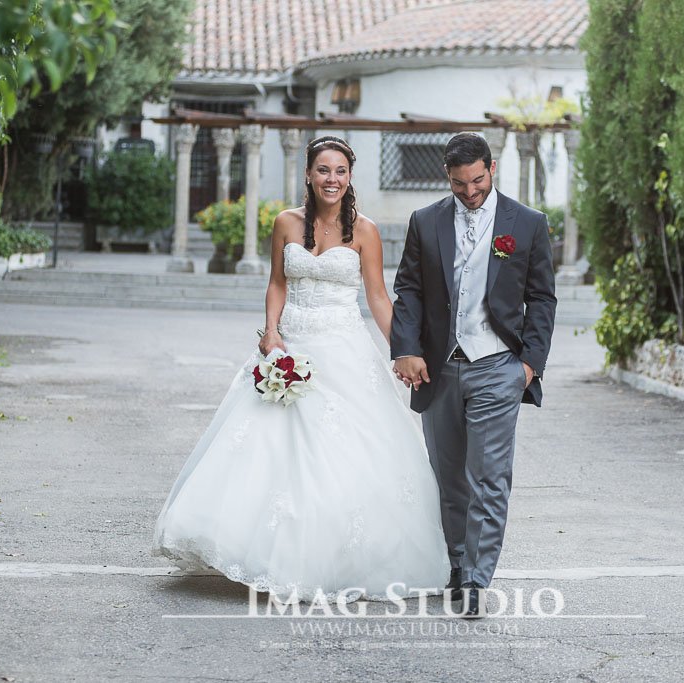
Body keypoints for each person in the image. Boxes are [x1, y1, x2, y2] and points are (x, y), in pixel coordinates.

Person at [154, 136, 449, 603]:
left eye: (340, 171)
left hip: (343, 348)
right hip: (290, 346)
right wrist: (271, 332)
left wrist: (403, 350)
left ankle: (335, 558)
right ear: (308, 174)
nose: (332, 179)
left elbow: (377, 296)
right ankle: (260, 552)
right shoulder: (286, 223)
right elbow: (277, 282)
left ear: (350, 177)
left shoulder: (365, 231)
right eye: (323, 170)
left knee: (343, 453)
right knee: (267, 447)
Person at [391, 132, 557, 618]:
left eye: (478, 181)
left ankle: (476, 580)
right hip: (439, 368)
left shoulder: (527, 223)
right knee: (448, 476)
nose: (470, 192)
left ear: (492, 168)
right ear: (448, 176)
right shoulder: (426, 221)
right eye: (460, 183)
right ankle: (457, 563)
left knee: (488, 477)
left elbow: (542, 297)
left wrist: (528, 364)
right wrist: (407, 349)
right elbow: (409, 290)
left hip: (498, 365)